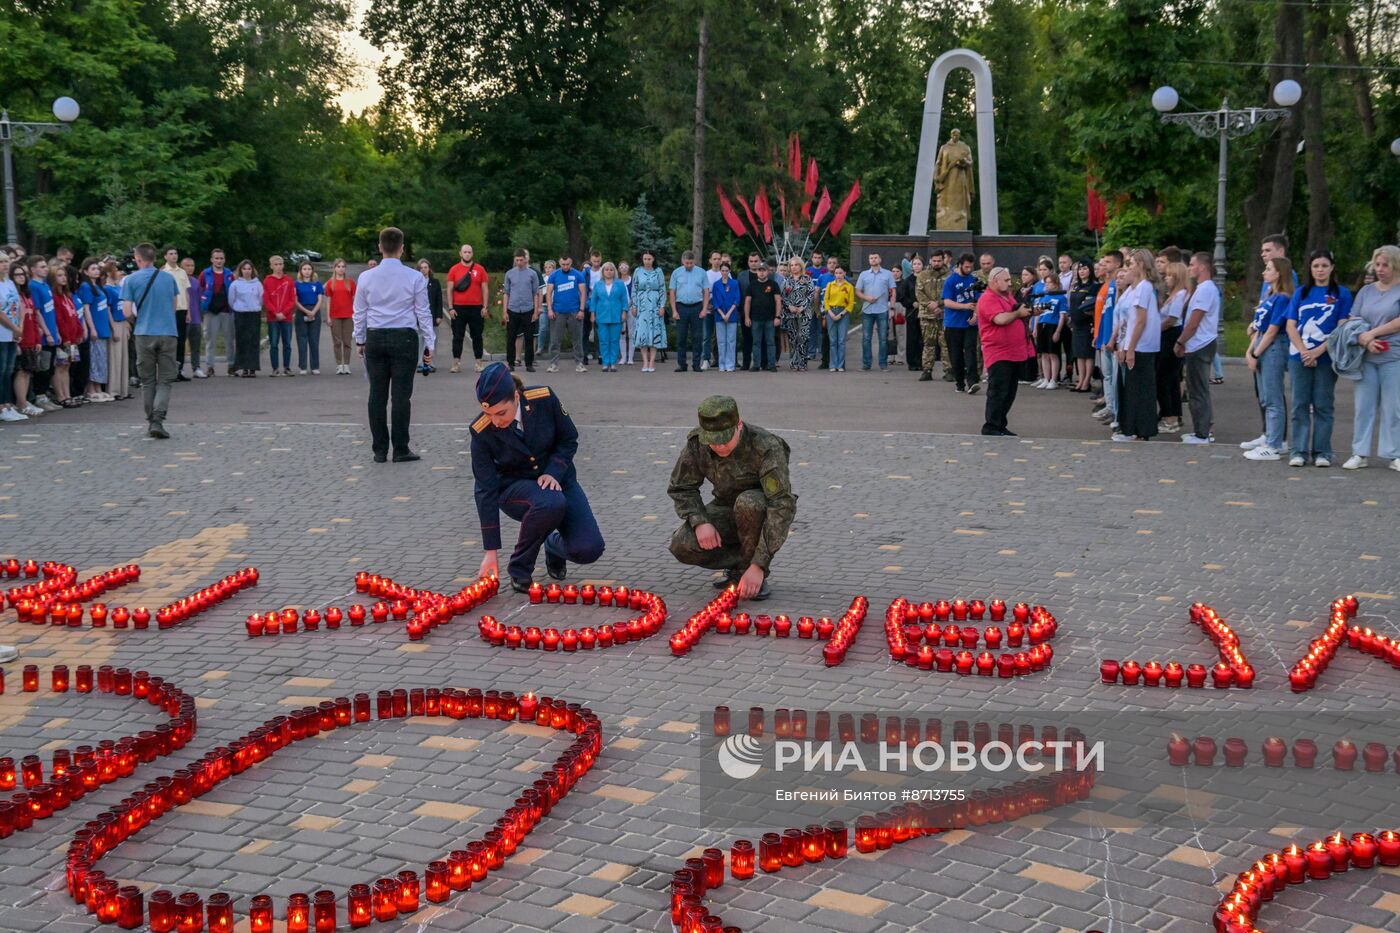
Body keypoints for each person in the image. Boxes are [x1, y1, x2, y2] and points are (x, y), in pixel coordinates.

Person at [471, 363, 604, 591]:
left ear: (516, 396)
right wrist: (490, 551)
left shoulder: (544, 399)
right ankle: (520, 569)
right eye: (488, 414)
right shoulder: (481, 432)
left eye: (501, 413)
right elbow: (485, 489)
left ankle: (553, 546)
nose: (495, 421)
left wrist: (553, 471)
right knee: (550, 502)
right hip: (514, 488)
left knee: (589, 548)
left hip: (560, 481)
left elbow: (568, 438)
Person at [667, 396, 794, 601]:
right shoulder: (698, 444)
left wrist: (758, 564)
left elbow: (781, 504)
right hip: (725, 507)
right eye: (713, 441)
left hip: (759, 511)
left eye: (725, 439)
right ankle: (738, 565)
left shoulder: (766, 446)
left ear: (739, 425)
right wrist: (700, 522)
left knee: (748, 503)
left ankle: (751, 571)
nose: (719, 447)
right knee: (682, 544)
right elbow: (681, 487)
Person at [354, 227, 433, 463]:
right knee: (401, 396)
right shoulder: (415, 277)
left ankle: (379, 449)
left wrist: (360, 339)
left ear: (380, 247)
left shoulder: (366, 277)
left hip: (375, 337)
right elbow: (423, 313)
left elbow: (360, 312)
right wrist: (430, 342)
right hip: (404, 337)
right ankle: (400, 448)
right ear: (402, 249)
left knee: (376, 395)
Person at [1285, 250, 1351, 467]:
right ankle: (1299, 451)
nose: (1320, 270)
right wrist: (1304, 351)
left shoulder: (1342, 294)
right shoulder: (1301, 293)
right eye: (1316, 266)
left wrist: (1318, 351)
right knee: (1299, 404)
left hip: (1326, 357)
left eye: (1324, 265)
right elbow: (1291, 325)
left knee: (1323, 404)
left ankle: (1323, 452)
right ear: (1310, 269)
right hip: (1299, 357)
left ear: (1332, 267)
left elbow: (1341, 329)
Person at [1342, 245, 1400, 472]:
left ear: (1395, 265)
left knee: (1393, 407)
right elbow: (1352, 320)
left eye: (1386, 265)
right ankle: (1360, 453)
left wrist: (1374, 333)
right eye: (1377, 265)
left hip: (1393, 355)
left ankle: (1394, 453)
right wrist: (1365, 341)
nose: (1381, 269)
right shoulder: (1366, 292)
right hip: (1366, 356)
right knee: (1363, 407)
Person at [120, 243, 181, 438]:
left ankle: (150, 420)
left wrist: (135, 320)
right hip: (168, 332)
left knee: (147, 381)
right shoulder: (168, 278)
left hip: (144, 333)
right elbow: (174, 306)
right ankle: (158, 418)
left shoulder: (131, 280)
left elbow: (127, 312)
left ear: (138, 259)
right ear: (154, 258)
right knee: (165, 379)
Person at [1242, 257, 1295, 461]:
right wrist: (1250, 351)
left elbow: (1273, 330)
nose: (1265, 272)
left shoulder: (1282, 298)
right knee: (1265, 396)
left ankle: (1275, 444)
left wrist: (1256, 353)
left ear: (1279, 273)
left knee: (1273, 396)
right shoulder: (1269, 295)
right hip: (1262, 344)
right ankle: (1270, 438)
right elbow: (1258, 328)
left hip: (1273, 347)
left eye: (1269, 269)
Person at [1111, 248, 1163, 442]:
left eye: (1131, 264)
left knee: (1137, 389)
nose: (1129, 267)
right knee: (1141, 388)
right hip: (1144, 344)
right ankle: (1140, 429)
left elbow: (1139, 320)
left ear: (1141, 265)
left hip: (1141, 345)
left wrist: (1129, 347)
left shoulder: (1142, 287)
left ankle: (1135, 429)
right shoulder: (1146, 287)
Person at [978, 267, 1034, 436]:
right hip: (999, 352)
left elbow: (1016, 313)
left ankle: (1000, 424)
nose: (1010, 284)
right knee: (998, 391)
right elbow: (1000, 319)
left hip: (1014, 352)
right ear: (994, 280)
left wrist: (1029, 312)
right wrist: (1018, 313)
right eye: (1006, 280)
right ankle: (991, 426)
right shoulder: (988, 298)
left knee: (1009, 392)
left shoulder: (1007, 296)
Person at [1175, 252, 1220, 445]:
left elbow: (1194, 321)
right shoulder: (1202, 289)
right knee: (1196, 388)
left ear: (1203, 267)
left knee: (1198, 389)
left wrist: (1180, 341)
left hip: (1200, 344)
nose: (1190, 268)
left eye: (1192, 264)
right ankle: (1201, 429)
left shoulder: (1205, 290)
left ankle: (1202, 433)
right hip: (1198, 342)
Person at [1155, 262, 1190, 432]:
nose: (1166, 279)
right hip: (1166, 335)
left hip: (1170, 336)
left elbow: (1171, 319)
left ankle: (1169, 417)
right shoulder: (1173, 295)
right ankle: (1172, 416)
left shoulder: (1180, 295)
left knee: (1164, 378)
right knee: (1170, 379)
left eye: (1170, 276)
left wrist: (1155, 329)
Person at [447, 244, 490, 373]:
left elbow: (485, 288)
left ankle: (479, 363)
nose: (467, 254)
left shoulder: (480, 269)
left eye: (469, 252)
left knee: (477, 336)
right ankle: (456, 364)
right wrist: (450, 308)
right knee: (457, 336)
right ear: (460, 253)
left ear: (472, 254)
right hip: (458, 308)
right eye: (465, 252)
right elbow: (449, 289)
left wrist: (485, 306)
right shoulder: (454, 269)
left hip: (476, 308)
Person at [1092, 252, 1124, 425]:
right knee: (1107, 376)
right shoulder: (1106, 285)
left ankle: (1115, 409)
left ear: (1118, 265)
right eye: (1102, 262)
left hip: (1113, 338)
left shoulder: (1117, 285)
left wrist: (1112, 338)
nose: (1103, 265)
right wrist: (1099, 336)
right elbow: (1104, 314)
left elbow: (1118, 316)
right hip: (1105, 337)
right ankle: (1110, 406)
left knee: (1113, 376)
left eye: (1107, 262)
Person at [941, 253, 980, 393]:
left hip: (970, 324)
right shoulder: (950, 280)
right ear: (959, 265)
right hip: (953, 323)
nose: (969, 269)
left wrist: (975, 313)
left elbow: (979, 300)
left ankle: (972, 382)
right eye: (966, 267)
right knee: (956, 355)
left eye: (971, 266)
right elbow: (947, 301)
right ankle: (959, 382)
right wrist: (965, 306)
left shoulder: (975, 280)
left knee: (970, 352)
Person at [11, 264, 46, 416]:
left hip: (31, 337)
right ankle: (21, 403)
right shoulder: (14, 295)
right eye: (17, 274)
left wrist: (38, 339)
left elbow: (33, 320)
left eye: (23, 274)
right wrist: (17, 340)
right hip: (21, 338)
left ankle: (24, 401)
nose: (21, 277)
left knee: (27, 372)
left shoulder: (27, 295)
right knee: (21, 372)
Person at [75, 258, 113, 402]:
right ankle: (91, 389)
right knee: (94, 359)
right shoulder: (85, 287)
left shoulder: (98, 286)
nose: (96, 271)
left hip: (103, 327)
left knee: (101, 359)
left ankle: (98, 387)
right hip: (95, 327)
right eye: (93, 269)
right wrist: (92, 328)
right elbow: (86, 309)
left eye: (97, 268)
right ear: (85, 271)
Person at [500, 249, 542, 372]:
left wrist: (535, 311)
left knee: (529, 337)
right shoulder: (509, 274)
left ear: (525, 259)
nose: (518, 262)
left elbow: (536, 293)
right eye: (516, 260)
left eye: (521, 260)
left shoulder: (532, 274)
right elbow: (506, 293)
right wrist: (504, 311)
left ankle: (529, 363)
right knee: (511, 337)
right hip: (513, 309)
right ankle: (510, 362)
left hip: (528, 309)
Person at [546, 255, 588, 374]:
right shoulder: (554, 275)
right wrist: (549, 309)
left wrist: (581, 310)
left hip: (574, 311)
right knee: (555, 339)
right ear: (559, 263)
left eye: (567, 264)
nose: (565, 267)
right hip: (558, 312)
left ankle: (579, 363)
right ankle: (554, 364)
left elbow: (583, 292)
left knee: (577, 339)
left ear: (571, 263)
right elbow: (549, 293)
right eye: (563, 264)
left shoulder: (578, 275)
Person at [669, 250, 709, 372]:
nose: (689, 265)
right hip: (681, 307)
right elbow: (672, 292)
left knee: (697, 337)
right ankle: (682, 364)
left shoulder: (701, 272)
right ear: (682, 261)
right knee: (681, 337)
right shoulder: (676, 273)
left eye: (691, 263)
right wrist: (674, 310)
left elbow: (706, 291)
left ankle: (696, 364)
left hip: (697, 306)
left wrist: (704, 309)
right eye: (687, 263)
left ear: (694, 261)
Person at [1031, 258, 1068, 390]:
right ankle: (1046, 378)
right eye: (1046, 283)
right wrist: (1035, 328)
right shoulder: (1043, 297)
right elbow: (1038, 314)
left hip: (1053, 325)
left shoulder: (1061, 297)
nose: (1047, 285)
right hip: (1042, 325)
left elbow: (1062, 315)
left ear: (1056, 284)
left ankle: (1054, 378)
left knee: (1053, 353)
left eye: (1049, 283)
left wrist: (1058, 330)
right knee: (1044, 353)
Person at [855, 252, 895, 372]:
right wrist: (867, 298)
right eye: (871, 258)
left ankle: (883, 364)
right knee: (866, 338)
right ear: (869, 260)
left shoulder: (888, 274)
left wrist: (892, 308)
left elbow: (892, 292)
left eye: (875, 257)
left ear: (880, 259)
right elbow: (857, 291)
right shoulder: (863, 274)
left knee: (883, 338)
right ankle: (866, 364)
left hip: (882, 310)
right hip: (868, 310)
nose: (873, 259)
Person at [198, 249, 234, 378]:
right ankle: (210, 366)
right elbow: (200, 289)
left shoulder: (229, 274)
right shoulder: (205, 274)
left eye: (221, 258)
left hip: (226, 311)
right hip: (210, 311)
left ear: (224, 260)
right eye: (216, 258)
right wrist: (203, 305)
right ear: (212, 260)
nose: (219, 261)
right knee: (210, 340)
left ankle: (231, 366)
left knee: (229, 340)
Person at [588, 262, 628, 372]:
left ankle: (613, 363)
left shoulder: (620, 284)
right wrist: (592, 313)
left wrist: (624, 312)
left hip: (616, 315)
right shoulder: (598, 284)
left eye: (611, 270)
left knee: (614, 340)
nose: (609, 272)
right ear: (603, 271)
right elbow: (594, 300)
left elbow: (624, 299)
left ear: (614, 271)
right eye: (606, 270)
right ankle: (605, 363)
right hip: (601, 315)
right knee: (603, 340)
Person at [631, 250, 666, 373]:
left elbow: (662, 289)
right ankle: (645, 361)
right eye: (645, 259)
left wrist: (662, 306)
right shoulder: (637, 271)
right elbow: (634, 289)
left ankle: (652, 361)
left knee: (654, 332)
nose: (647, 261)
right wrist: (634, 306)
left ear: (653, 259)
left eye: (649, 259)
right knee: (642, 333)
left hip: (655, 305)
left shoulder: (658, 271)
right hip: (642, 306)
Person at [916, 250, 947, 381]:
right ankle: (927, 370)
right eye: (934, 261)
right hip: (927, 315)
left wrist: (939, 305)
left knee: (946, 343)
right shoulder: (922, 275)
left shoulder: (949, 275)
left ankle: (949, 370)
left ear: (943, 260)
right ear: (930, 261)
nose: (936, 263)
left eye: (939, 261)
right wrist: (930, 304)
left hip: (945, 314)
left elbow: (952, 294)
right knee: (928, 343)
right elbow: (919, 293)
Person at [781, 258, 816, 371]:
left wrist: (802, 307)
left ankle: (802, 363)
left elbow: (811, 294)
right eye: (792, 265)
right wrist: (789, 306)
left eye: (796, 265)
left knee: (803, 337)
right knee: (793, 338)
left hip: (804, 313)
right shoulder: (787, 280)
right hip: (790, 313)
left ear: (801, 266)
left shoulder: (807, 279)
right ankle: (794, 362)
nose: (794, 267)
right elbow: (783, 296)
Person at [229, 260, 263, 377]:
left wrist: (254, 306)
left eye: (249, 269)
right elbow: (231, 300)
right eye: (244, 269)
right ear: (240, 270)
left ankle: (252, 367)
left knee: (253, 341)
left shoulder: (257, 284)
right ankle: (243, 367)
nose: (247, 271)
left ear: (252, 270)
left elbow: (261, 299)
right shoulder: (235, 284)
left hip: (254, 314)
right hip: (240, 314)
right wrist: (239, 307)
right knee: (242, 341)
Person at [1068, 259, 1098, 392]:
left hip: (1087, 324)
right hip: (1076, 324)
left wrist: (1093, 323)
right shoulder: (1076, 286)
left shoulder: (1093, 286)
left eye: (1085, 268)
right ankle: (1080, 380)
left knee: (1087, 354)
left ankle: (1086, 382)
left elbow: (1092, 307)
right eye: (1080, 269)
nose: (1082, 271)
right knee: (1079, 354)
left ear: (1090, 270)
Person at [744, 262, 780, 371]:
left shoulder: (773, 284)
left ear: (768, 271)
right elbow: (747, 302)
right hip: (755, 319)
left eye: (764, 270)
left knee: (770, 342)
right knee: (756, 343)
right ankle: (756, 365)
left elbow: (778, 301)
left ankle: (771, 365)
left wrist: (777, 317)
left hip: (770, 319)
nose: (762, 272)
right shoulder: (752, 285)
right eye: (760, 270)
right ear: (757, 272)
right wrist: (747, 317)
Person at [263, 256, 296, 376]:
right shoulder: (267, 280)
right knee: (274, 344)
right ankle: (275, 368)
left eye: (280, 264)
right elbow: (266, 300)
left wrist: (284, 313)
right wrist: (275, 313)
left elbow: (292, 299)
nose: (278, 267)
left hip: (286, 318)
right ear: (271, 266)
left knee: (287, 344)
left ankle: (287, 367)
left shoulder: (288, 280)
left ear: (283, 265)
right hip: (273, 318)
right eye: (275, 264)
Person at [102, 261, 131, 398]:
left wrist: (126, 322)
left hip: (122, 322)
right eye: (116, 270)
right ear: (108, 273)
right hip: (114, 323)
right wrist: (113, 327)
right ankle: (113, 390)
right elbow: (108, 309)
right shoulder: (107, 288)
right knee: (115, 358)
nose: (119, 272)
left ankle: (123, 389)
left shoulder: (119, 287)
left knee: (123, 357)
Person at [0, 254, 22, 421]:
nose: (4, 265)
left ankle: (8, 404)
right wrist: (14, 327)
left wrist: (19, 327)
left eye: (6, 261)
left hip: (12, 333)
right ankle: (2, 406)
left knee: (8, 370)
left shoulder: (10, 283)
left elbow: (18, 305)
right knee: (1, 370)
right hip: (2, 332)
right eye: (1, 262)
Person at [326, 258, 357, 374]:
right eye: (338, 266)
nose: (341, 269)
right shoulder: (330, 283)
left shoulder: (350, 282)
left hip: (348, 315)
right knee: (337, 341)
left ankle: (347, 365)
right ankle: (339, 364)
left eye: (343, 266)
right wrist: (328, 317)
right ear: (334, 268)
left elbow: (355, 299)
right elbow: (328, 300)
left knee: (347, 341)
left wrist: (356, 314)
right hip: (335, 315)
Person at [293, 260, 325, 375]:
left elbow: (320, 299)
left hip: (315, 311)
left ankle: (315, 366)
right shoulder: (296, 284)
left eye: (309, 269)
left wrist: (313, 312)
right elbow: (295, 300)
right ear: (301, 271)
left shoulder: (317, 284)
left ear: (312, 271)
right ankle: (303, 366)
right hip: (302, 311)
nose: (307, 271)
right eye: (304, 269)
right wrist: (306, 311)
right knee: (302, 340)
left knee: (314, 340)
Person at [711, 261, 742, 372]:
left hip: (731, 315)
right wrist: (722, 313)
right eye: (722, 270)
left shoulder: (734, 283)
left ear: (729, 271)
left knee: (731, 340)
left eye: (726, 270)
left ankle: (730, 364)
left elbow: (737, 299)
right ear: (720, 271)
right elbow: (714, 301)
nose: (724, 272)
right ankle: (722, 364)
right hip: (720, 316)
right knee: (721, 341)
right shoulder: (716, 284)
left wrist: (728, 313)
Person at [823, 266, 854, 373]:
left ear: (844, 273)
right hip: (831, 312)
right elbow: (826, 301)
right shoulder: (830, 285)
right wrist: (830, 313)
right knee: (832, 340)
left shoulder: (849, 286)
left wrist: (841, 314)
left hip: (843, 312)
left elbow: (850, 303)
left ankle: (840, 365)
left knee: (841, 340)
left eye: (840, 273)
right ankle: (833, 364)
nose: (838, 275)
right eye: (836, 273)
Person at [181, 257, 203, 379]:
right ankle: (181, 368)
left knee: (196, 344)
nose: (190, 268)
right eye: (187, 266)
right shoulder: (179, 280)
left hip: (196, 317)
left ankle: (196, 367)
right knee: (181, 345)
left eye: (192, 265)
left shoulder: (195, 281)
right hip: (183, 317)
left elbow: (199, 299)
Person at [901, 256, 924, 371]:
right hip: (912, 313)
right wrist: (912, 303)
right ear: (912, 266)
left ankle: (922, 362)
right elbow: (902, 297)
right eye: (914, 264)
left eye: (919, 264)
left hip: (925, 312)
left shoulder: (926, 279)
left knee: (923, 338)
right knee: (912, 338)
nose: (916, 266)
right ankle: (912, 362)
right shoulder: (908, 280)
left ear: (922, 265)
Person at [535, 259, 554, 357]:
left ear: (554, 268)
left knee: (553, 329)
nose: (547, 269)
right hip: (543, 305)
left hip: (554, 305)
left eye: (550, 267)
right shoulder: (542, 278)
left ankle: (552, 348)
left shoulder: (556, 277)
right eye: (546, 267)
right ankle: (540, 347)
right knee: (543, 327)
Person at [617, 260, 634, 365]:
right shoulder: (617, 281)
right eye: (621, 267)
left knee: (632, 334)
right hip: (620, 310)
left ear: (628, 268)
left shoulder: (633, 280)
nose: (623, 268)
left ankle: (630, 358)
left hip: (631, 309)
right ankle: (623, 357)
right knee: (621, 333)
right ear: (619, 269)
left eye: (625, 266)